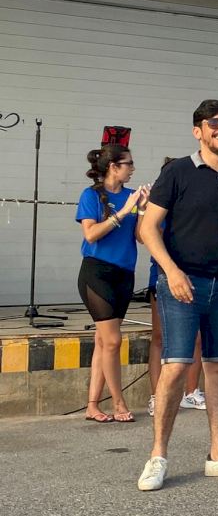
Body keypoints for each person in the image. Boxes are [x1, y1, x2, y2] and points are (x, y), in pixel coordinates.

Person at [136, 99, 218, 491]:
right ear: (198, 131)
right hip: (182, 283)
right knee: (176, 366)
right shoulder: (177, 172)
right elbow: (147, 228)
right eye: (214, 123)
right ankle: (157, 457)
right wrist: (172, 271)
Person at [76, 144, 149, 423]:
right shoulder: (91, 195)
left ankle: (92, 405)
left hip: (124, 273)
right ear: (113, 167)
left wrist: (141, 210)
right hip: (97, 272)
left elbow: (140, 237)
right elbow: (91, 234)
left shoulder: (131, 197)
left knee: (103, 341)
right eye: (128, 164)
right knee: (113, 340)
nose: (132, 168)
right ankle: (119, 403)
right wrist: (124, 211)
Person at [144, 157, 205, 417]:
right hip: (163, 275)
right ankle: (156, 396)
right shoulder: (158, 203)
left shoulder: (193, 202)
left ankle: (191, 391)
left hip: (194, 275)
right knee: (160, 337)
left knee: (197, 338)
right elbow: (143, 235)